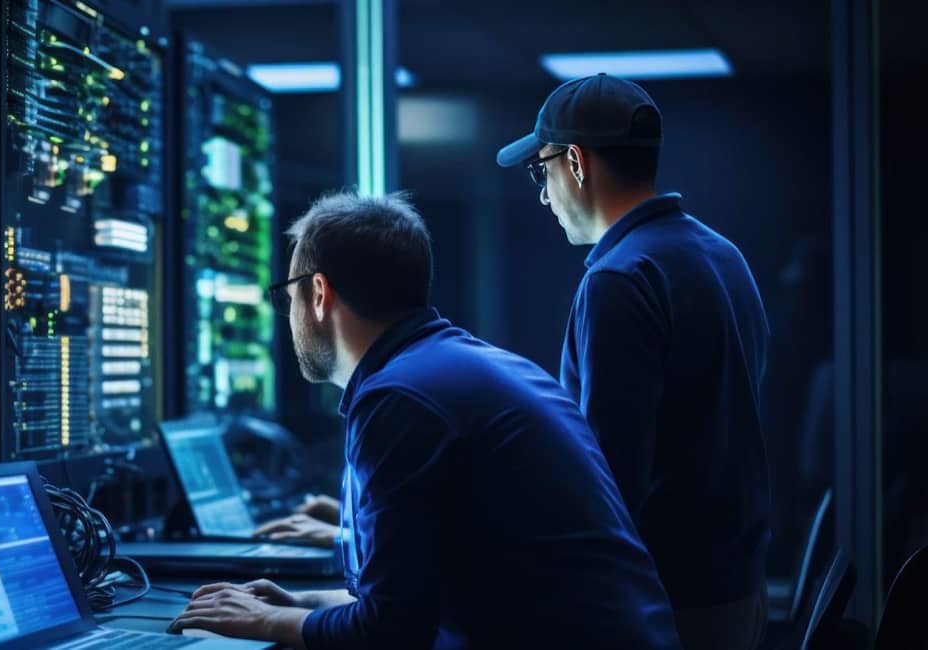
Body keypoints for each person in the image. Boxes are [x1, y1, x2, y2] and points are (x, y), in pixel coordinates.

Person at [170, 190, 681, 649]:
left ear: (319, 293)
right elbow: (419, 597)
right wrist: (297, 605)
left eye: (289, 294)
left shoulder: (399, 400)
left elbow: (391, 631)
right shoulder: (459, 367)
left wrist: (265, 623)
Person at [495, 73, 771, 650]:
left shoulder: (619, 280)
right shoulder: (725, 256)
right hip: (735, 586)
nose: (544, 194)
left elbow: (608, 480)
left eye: (540, 169)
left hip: (663, 601)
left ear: (574, 161)